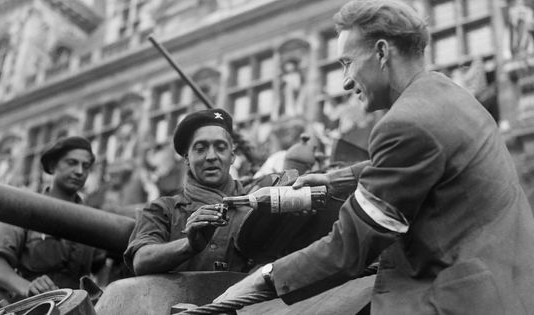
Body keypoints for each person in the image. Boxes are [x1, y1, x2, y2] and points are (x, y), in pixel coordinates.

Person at [216, 1, 534, 314]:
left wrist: (265, 278)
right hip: (504, 284)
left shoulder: (406, 123)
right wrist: (333, 181)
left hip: (456, 301)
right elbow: (423, 161)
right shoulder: (446, 94)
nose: (345, 81)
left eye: (347, 62)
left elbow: (350, 246)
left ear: (382, 52)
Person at [124, 108, 295, 275]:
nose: (211, 156)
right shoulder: (162, 210)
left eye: (220, 148)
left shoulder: (260, 201)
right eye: (200, 148)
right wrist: (189, 245)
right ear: (186, 158)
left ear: (232, 156)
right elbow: (141, 260)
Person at [0, 136, 106, 301]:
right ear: (52, 165)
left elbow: (102, 266)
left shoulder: (93, 220)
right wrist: (28, 287)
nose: (79, 171)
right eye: (71, 163)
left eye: (86, 166)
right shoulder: (25, 208)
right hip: (32, 307)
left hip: (76, 308)